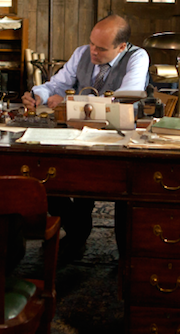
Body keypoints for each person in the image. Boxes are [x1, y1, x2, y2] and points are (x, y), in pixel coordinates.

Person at [22, 14, 150, 262]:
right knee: (45, 173)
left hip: (116, 136)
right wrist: (39, 95)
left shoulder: (137, 57)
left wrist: (70, 101)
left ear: (121, 47)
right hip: (76, 133)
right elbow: (56, 85)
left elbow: (126, 99)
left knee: (103, 184)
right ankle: (78, 229)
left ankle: (106, 246)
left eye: (101, 48)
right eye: (92, 43)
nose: (93, 51)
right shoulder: (82, 53)